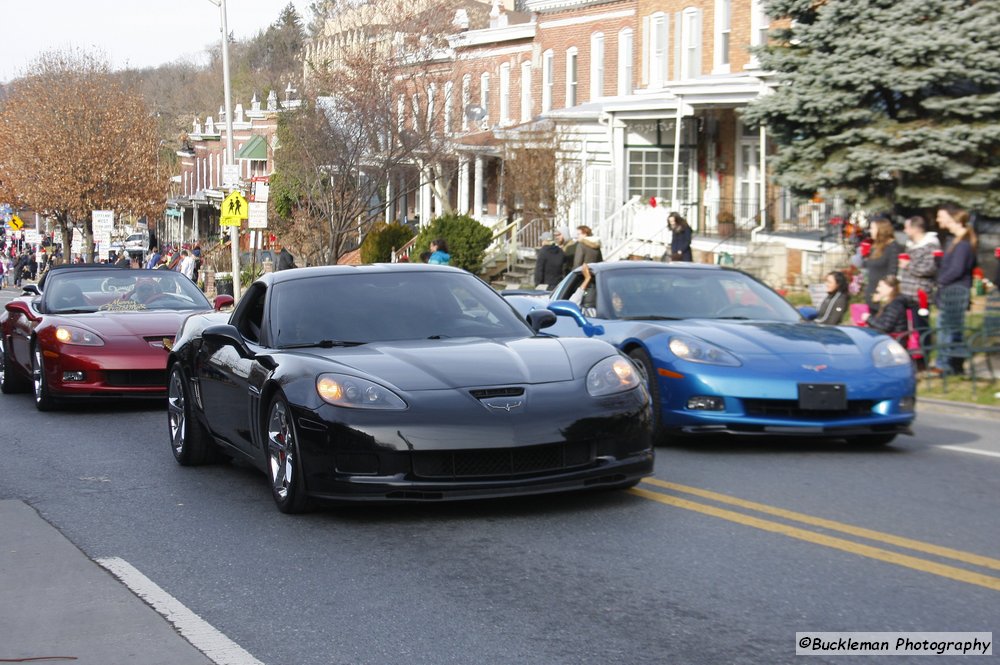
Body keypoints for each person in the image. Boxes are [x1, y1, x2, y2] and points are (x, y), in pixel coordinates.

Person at [933, 204, 978, 375]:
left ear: (953, 218)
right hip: (953, 291)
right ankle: (956, 365)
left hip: (954, 293)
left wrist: (940, 281)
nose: (938, 220)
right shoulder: (957, 241)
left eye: (940, 216)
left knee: (945, 328)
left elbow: (957, 270)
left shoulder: (963, 245)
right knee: (954, 329)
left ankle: (943, 365)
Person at [897, 215, 939, 337]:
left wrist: (908, 265)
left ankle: (924, 351)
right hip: (907, 293)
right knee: (909, 328)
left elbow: (929, 268)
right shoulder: (911, 245)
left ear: (915, 229)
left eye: (907, 228)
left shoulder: (930, 246)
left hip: (920, 295)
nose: (905, 231)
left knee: (921, 327)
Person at [861, 217, 903, 311]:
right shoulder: (876, 246)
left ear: (881, 229)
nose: (870, 231)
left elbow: (892, 273)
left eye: (872, 228)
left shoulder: (892, 247)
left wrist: (882, 294)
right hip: (872, 293)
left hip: (881, 296)